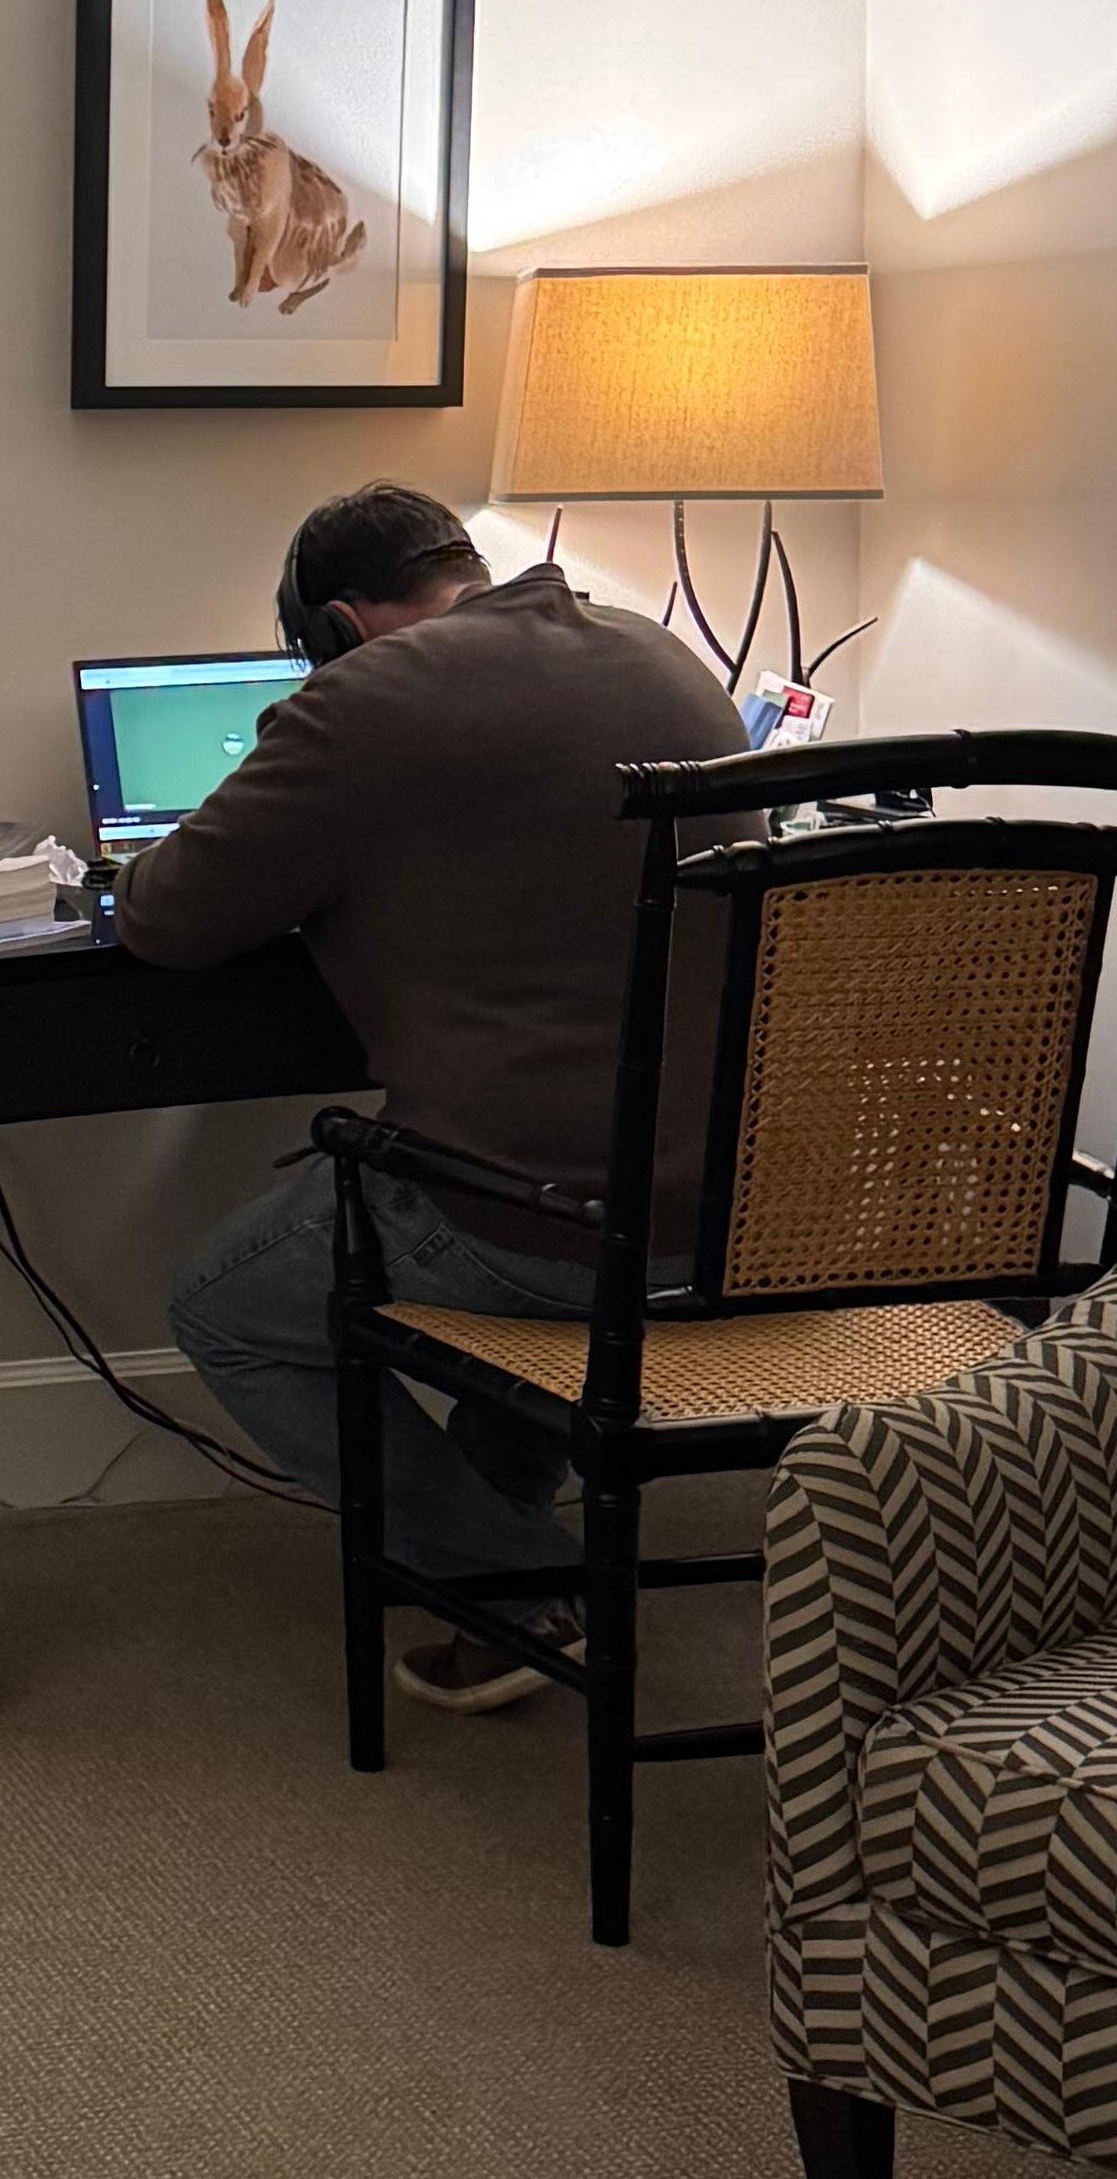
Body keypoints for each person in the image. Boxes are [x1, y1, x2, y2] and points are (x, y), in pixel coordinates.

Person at [113, 481, 744, 1707]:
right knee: (526, 1239)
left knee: (224, 1307)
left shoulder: (370, 699)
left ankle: (518, 1586)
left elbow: (168, 920)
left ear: (337, 627)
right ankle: (506, 1598)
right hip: (729, 1208)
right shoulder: (663, 655)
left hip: (545, 1219)